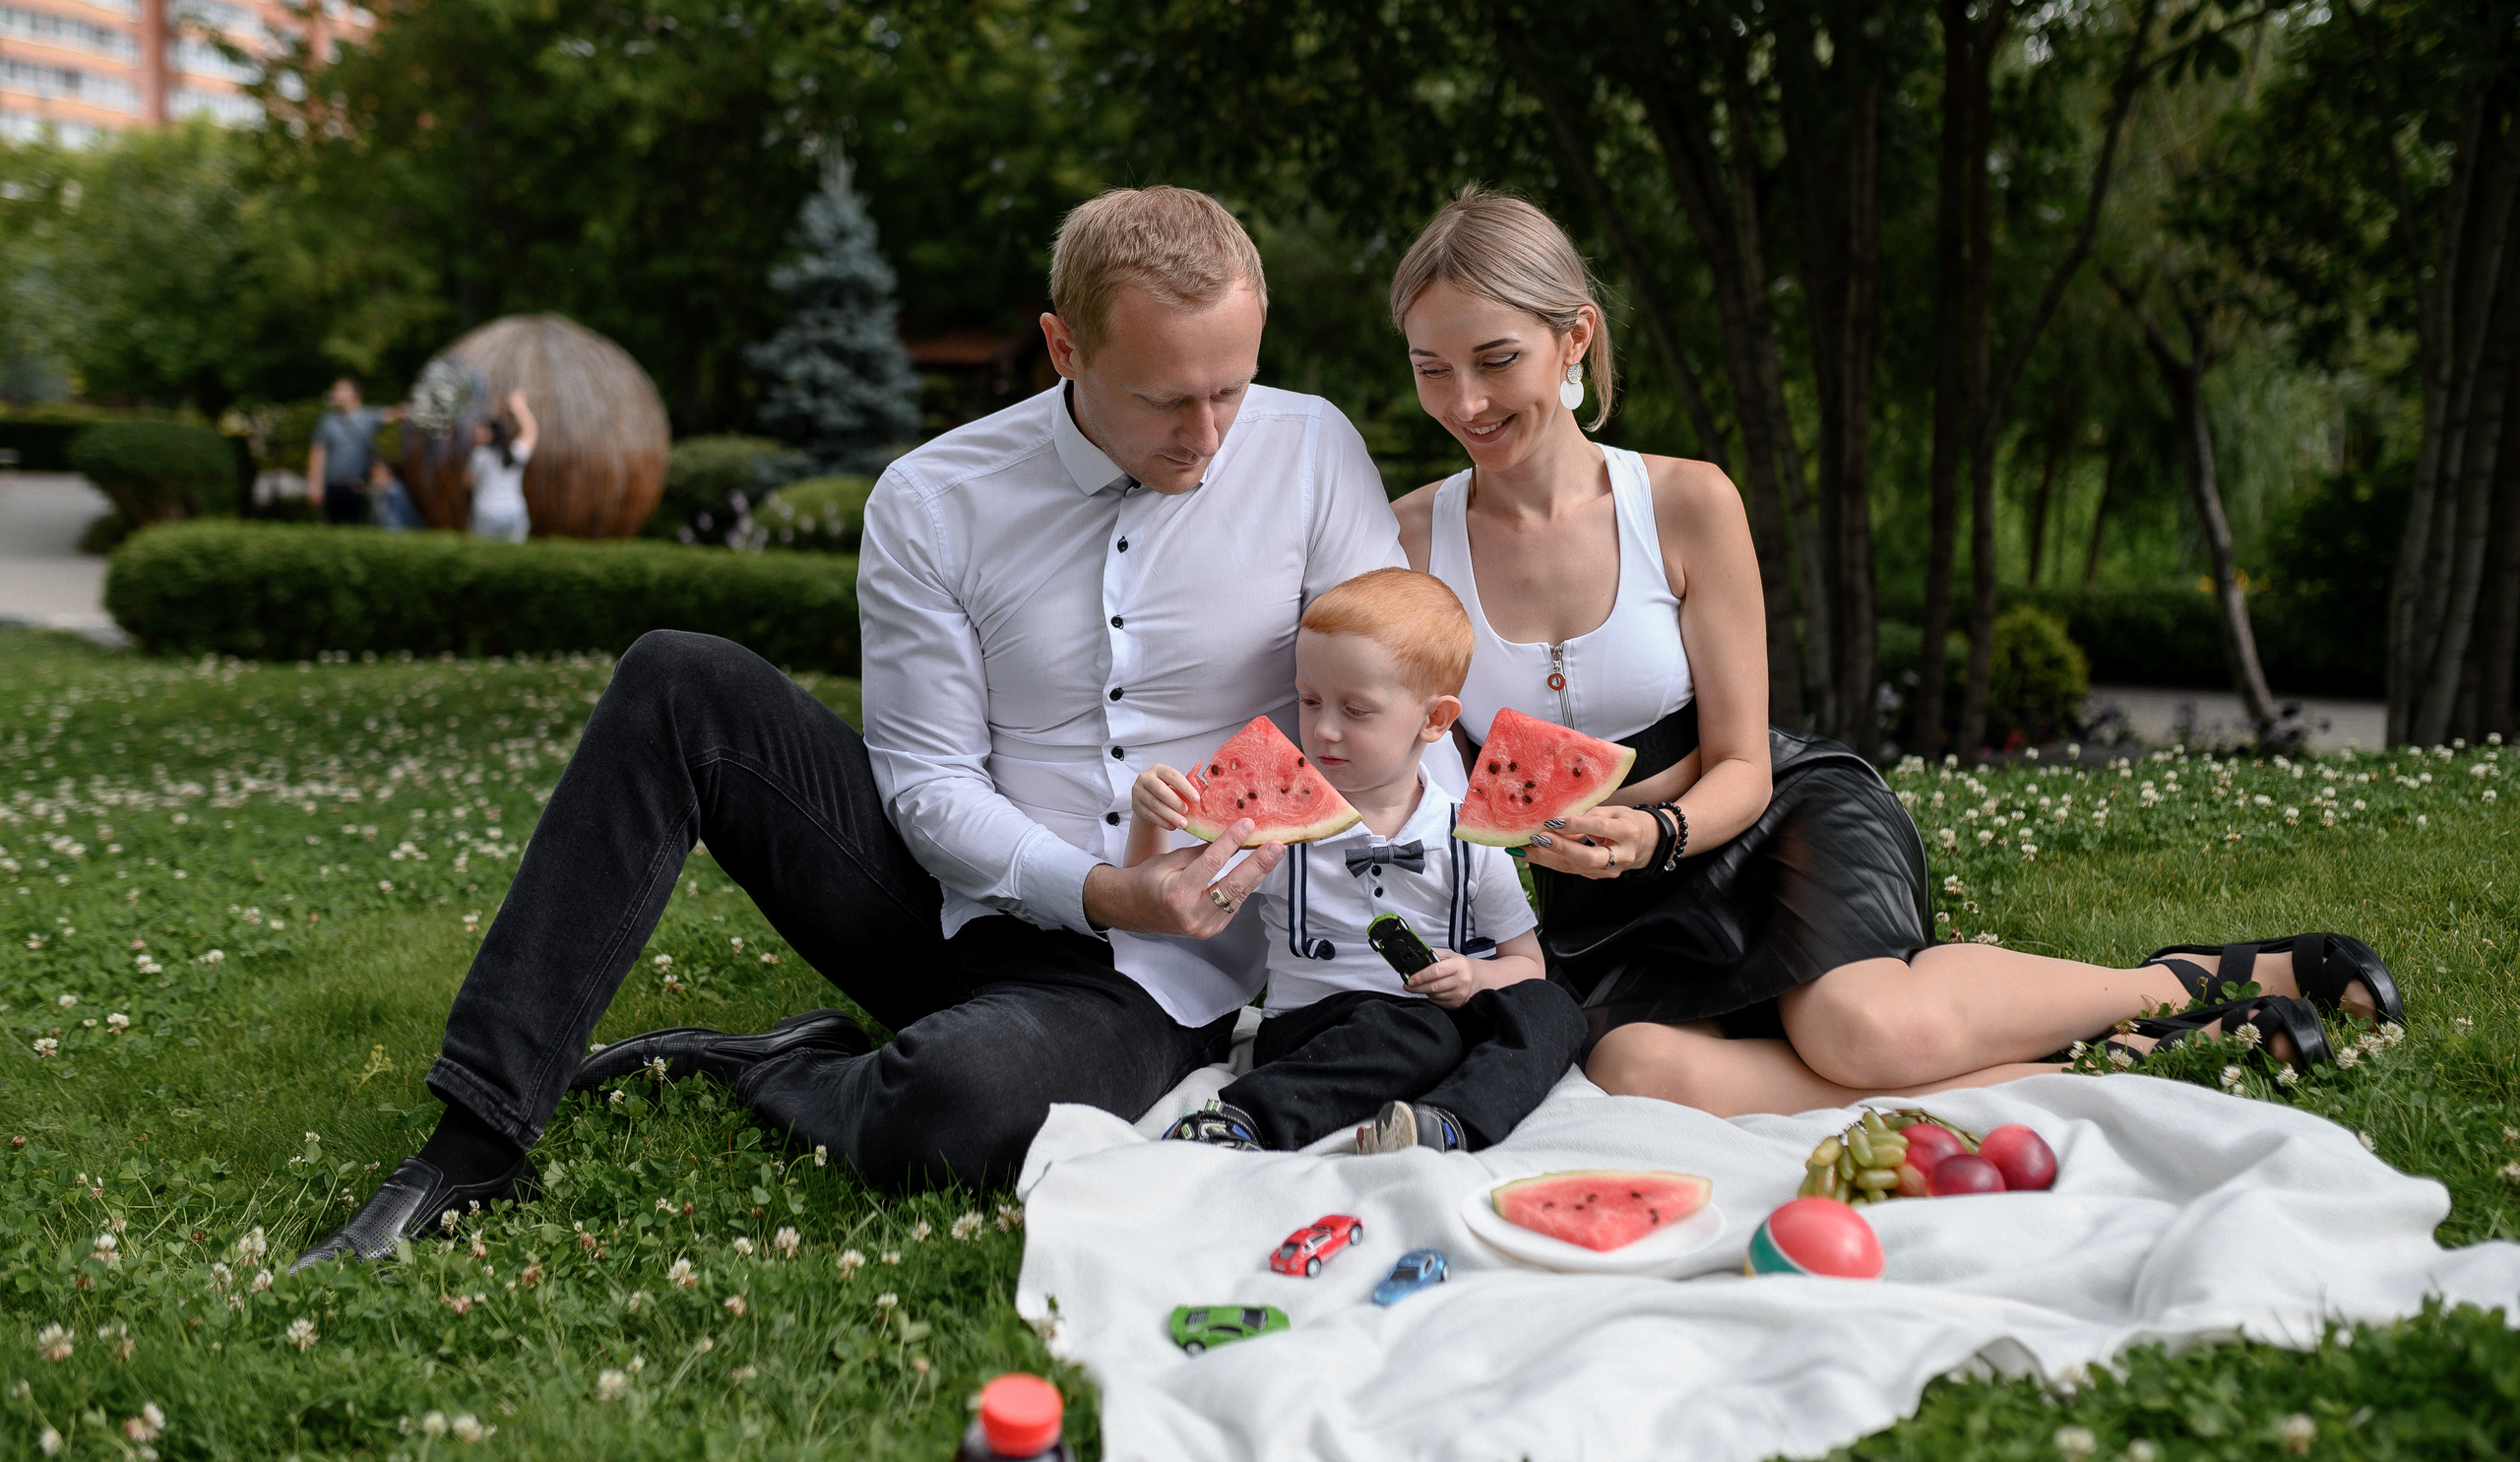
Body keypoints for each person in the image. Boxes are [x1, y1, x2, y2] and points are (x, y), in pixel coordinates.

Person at [293, 187, 1407, 1269]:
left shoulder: (1309, 454)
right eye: (1167, 398)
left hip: (1155, 970)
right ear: (1064, 348)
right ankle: (478, 1136)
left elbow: (1386, 699)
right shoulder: (934, 497)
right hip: (943, 903)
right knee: (678, 677)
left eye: (1232, 388)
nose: (1208, 433)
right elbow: (923, 784)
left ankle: (779, 1067)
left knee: (957, 1105)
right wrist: (1097, 885)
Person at [1387, 188, 2401, 1117]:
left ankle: (2190, 980)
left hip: (1764, 819)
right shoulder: (1409, 540)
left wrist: (1657, 832)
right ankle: (2119, 1056)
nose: (1464, 403)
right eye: (1432, 368)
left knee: (1860, 1030)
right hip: (1606, 901)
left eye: (1494, 360)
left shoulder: (1686, 501)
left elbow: (1741, 762)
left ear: (1574, 340)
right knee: (1638, 1070)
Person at [1130, 568, 1585, 1155]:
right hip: (1315, 1032)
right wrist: (1151, 821)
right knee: (1415, 1035)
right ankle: (1246, 1117)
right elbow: (1164, 895)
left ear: (1436, 720)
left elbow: (1526, 964)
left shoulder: (1465, 832)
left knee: (1555, 1009)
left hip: (1448, 1017)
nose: (1323, 729)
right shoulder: (1276, 826)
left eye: (1356, 709)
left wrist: (1476, 977)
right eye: (1310, 700)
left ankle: (1446, 1123)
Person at [307, 377, 404, 526]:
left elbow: (394, 414)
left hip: (358, 488)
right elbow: (318, 454)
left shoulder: (368, 417)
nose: (336, 393)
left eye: (341, 389)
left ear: (355, 394)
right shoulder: (327, 421)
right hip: (333, 487)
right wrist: (315, 485)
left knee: (357, 530)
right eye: (335, 390)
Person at [466, 391, 537, 542]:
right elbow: (531, 431)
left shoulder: (479, 455)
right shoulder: (515, 451)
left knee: (483, 556)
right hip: (514, 512)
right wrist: (519, 406)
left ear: (489, 434)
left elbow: (468, 483)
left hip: (486, 514)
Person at [369, 460, 424, 532]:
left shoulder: (397, 489)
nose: (376, 475)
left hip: (400, 527)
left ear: (388, 472)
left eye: (379, 472)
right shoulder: (375, 489)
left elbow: (406, 512)